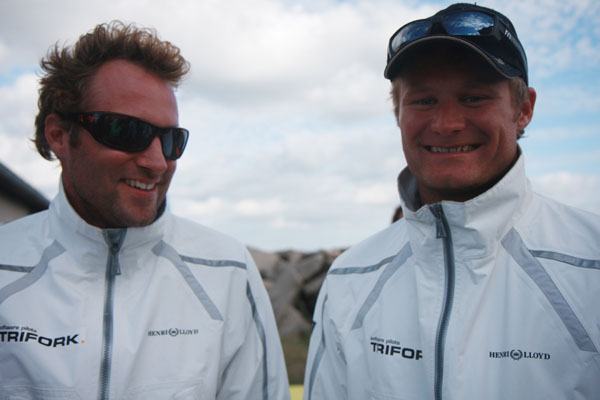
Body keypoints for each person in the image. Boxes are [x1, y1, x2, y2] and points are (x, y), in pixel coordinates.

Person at [304, 3, 600, 399]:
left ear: (523, 109)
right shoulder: (349, 278)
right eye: (423, 101)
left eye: (474, 97)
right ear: (398, 112)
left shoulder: (591, 265)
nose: (446, 124)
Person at [0, 21, 290, 400]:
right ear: (58, 134)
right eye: (126, 131)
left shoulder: (228, 271)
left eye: (171, 140)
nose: (157, 162)